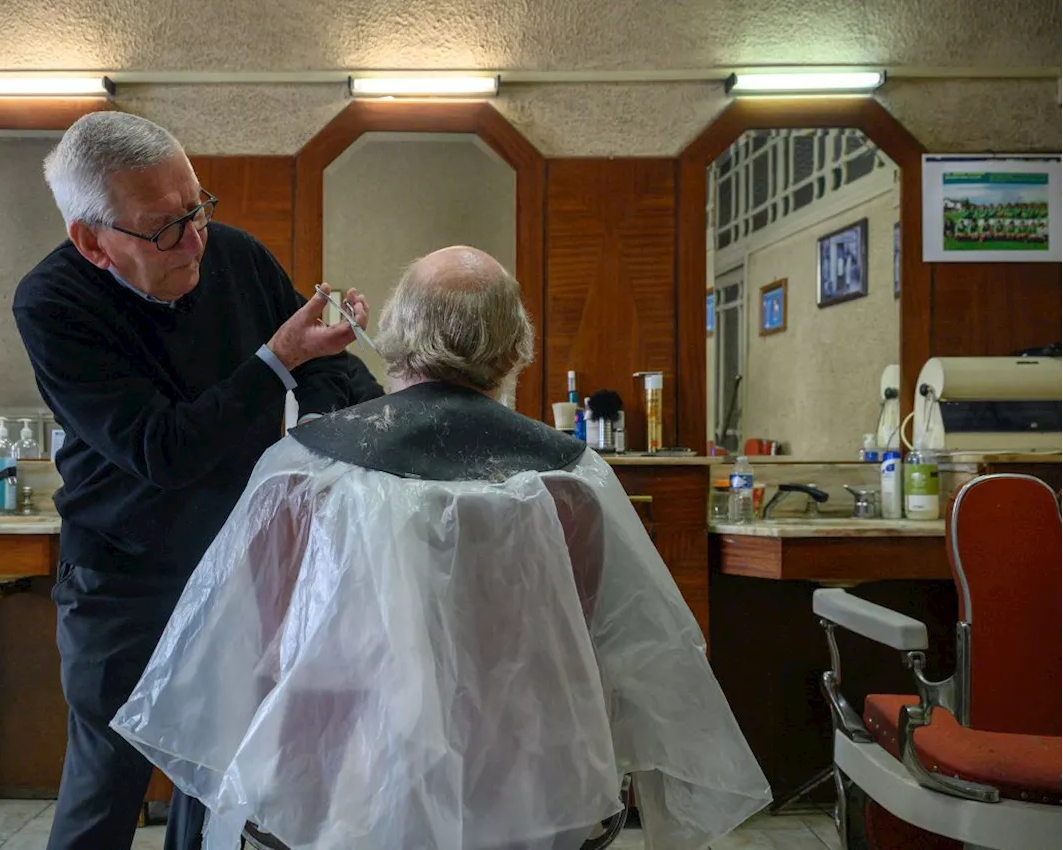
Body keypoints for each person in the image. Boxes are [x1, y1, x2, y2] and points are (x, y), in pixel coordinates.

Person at [111, 246, 772, 850]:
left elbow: (259, 648)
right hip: (529, 790)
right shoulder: (570, 479)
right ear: (517, 347)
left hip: (344, 787)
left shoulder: (303, 471)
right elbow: (611, 646)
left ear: (394, 334)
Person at [10, 110, 368, 850]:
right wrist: (273, 363)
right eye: (164, 226)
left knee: (218, 780)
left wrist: (373, 423)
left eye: (198, 208)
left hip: (236, 565)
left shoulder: (235, 256)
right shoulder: (52, 302)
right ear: (92, 240)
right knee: (106, 780)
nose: (195, 238)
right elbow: (161, 449)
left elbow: (328, 367)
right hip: (121, 573)